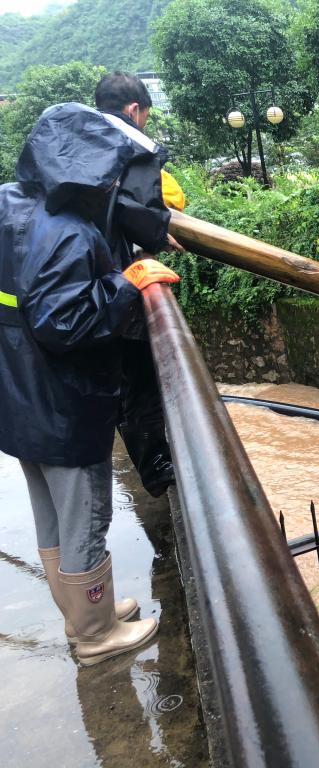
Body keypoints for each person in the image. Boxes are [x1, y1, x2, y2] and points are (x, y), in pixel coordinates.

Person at [0, 102, 180, 665]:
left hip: (19, 394)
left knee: (51, 515)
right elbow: (67, 322)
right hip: (63, 401)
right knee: (85, 516)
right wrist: (129, 282)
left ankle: (88, 613)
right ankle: (96, 636)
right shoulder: (68, 233)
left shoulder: (9, 203)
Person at [94, 72, 181, 498]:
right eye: (144, 115)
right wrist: (159, 230)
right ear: (134, 109)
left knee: (116, 382)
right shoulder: (131, 144)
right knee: (139, 374)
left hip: (77, 278)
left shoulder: (76, 142)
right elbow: (143, 215)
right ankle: (159, 472)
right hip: (115, 277)